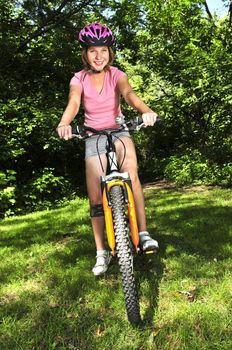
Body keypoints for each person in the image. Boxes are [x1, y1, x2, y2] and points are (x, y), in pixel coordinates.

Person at [57, 23, 159, 276]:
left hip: (120, 131)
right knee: (95, 197)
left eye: (103, 50)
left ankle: (143, 234)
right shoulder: (78, 78)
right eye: (93, 51)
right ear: (85, 54)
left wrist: (145, 111)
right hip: (93, 136)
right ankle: (101, 251)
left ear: (110, 53)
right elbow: (74, 101)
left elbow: (129, 94)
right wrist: (65, 122)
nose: (98, 56)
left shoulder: (117, 74)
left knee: (132, 176)